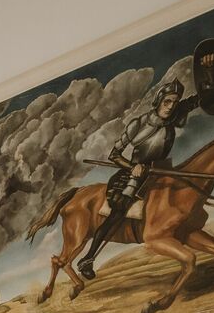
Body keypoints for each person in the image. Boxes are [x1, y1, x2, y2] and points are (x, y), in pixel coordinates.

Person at [78, 80, 201, 278]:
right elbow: (114, 154)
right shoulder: (138, 123)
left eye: (175, 102)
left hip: (160, 171)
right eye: (167, 101)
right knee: (118, 213)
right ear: (159, 100)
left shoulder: (174, 115)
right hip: (134, 176)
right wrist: (132, 167)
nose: (171, 106)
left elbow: (198, 99)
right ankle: (88, 258)